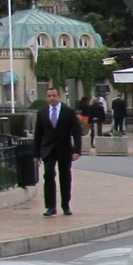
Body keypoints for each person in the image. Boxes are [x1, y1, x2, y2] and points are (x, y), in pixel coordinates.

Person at [32, 86, 83, 217]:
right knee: (48, 175)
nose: (52, 98)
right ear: (46, 97)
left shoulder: (68, 112)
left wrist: (77, 150)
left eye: (54, 96)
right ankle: (50, 206)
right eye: (49, 96)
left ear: (59, 97)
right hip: (48, 149)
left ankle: (65, 205)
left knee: (65, 177)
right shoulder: (42, 113)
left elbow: (77, 132)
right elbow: (38, 134)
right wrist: (36, 154)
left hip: (64, 148)